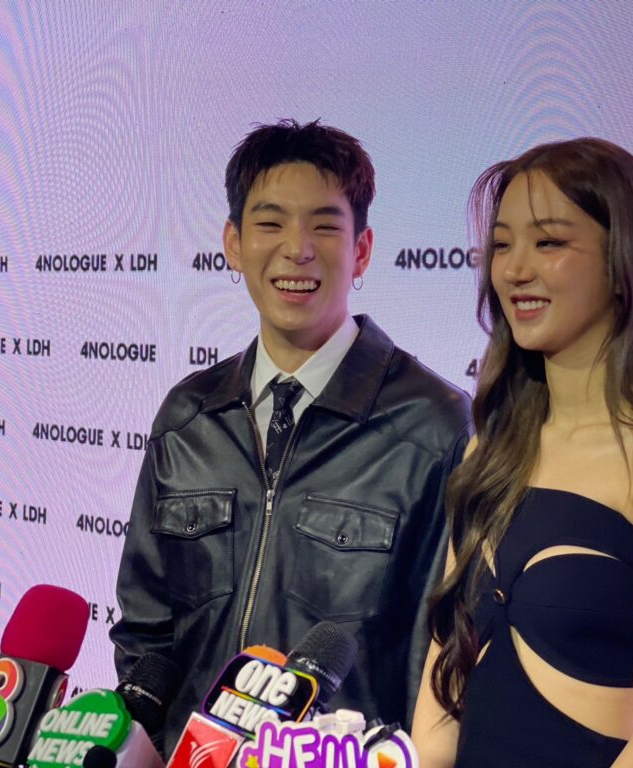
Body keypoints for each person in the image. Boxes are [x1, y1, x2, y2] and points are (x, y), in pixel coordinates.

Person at [110, 120, 471, 754]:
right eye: (271, 223)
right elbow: (147, 634)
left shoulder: (432, 427)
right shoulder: (188, 418)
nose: (297, 249)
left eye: (324, 226)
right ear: (234, 243)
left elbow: (443, 661)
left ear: (362, 250)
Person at [413, 138, 633, 768]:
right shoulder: (489, 449)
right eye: (501, 245)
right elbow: (443, 697)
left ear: (622, 261)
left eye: (549, 242)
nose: (514, 270)